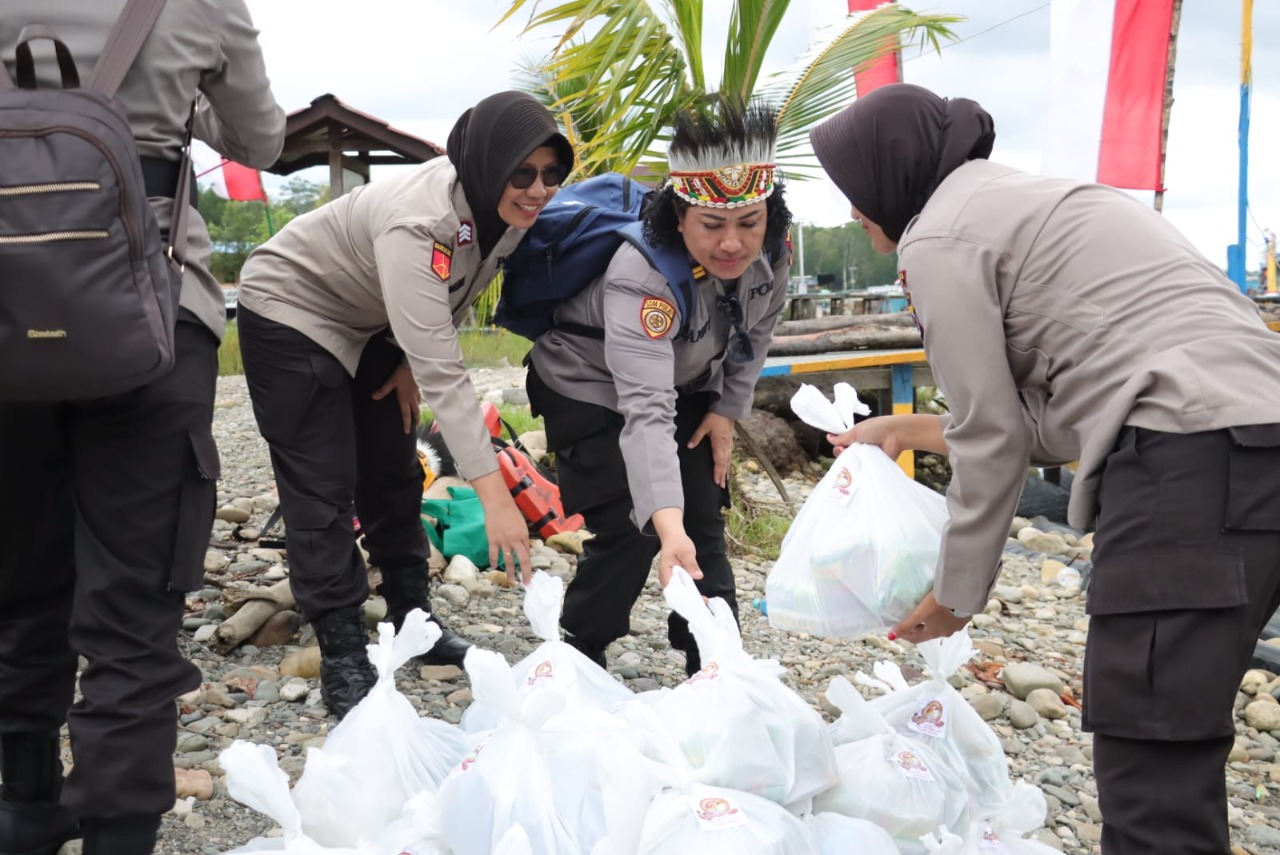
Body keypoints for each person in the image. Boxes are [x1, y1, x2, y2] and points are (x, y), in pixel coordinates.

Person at [810, 82, 1280, 854]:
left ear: (891, 171)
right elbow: (1063, 411)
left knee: (1153, 764)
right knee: (1187, 732)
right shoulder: (1025, 202)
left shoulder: (938, 238)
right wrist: (911, 429)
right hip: (1253, 440)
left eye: (854, 186)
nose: (855, 210)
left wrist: (955, 593)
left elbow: (992, 433)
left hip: (1187, 464)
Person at [0, 2, 284, 853]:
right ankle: (119, 834)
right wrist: (175, 100)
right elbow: (262, 140)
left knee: (17, 585)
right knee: (132, 613)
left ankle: (23, 805)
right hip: (152, 313)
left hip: (7, 319)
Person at [235, 90, 572, 718]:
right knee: (322, 482)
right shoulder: (418, 221)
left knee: (392, 467)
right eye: (523, 173)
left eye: (552, 174)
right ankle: (341, 646)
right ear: (488, 165)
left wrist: (404, 363)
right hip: (291, 308)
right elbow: (448, 372)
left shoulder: (501, 211)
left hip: (371, 322)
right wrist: (497, 499)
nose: (538, 190)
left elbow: (450, 297)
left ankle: (414, 618)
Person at [527, 99, 792, 676]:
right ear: (678, 217)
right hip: (587, 381)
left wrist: (726, 409)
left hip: (685, 379)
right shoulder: (641, 274)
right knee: (633, 525)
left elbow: (758, 330)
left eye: (749, 222)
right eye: (711, 225)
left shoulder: (775, 251)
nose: (732, 244)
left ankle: (714, 665)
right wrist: (666, 528)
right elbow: (646, 410)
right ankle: (579, 647)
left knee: (703, 526)